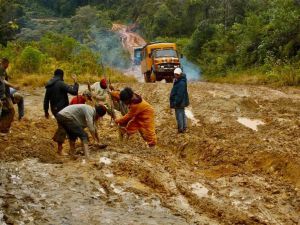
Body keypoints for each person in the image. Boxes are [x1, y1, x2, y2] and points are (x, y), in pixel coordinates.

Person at [43, 69, 79, 155]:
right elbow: (74, 92)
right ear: (61, 75)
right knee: (63, 127)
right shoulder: (60, 83)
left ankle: (59, 143)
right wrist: (76, 82)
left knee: (62, 126)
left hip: (54, 109)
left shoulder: (49, 84)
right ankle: (59, 149)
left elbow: (46, 99)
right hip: (62, 109)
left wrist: (46, 111)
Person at [0, 58, 19, 133]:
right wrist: (13, 86)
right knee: (11, 111)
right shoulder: (1, 68)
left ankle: (3, 128)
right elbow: (3, 81)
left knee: (5, 111)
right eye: (8, 64)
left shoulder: (3, 70)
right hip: (3, 95)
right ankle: (3, 129)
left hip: (5, 94)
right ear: (5, 63)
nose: (8, 65)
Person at [170, 68, 189, 133]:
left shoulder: (181, 83)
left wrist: (176, 102)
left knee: (179, 116)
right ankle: (184, 128)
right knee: (182, 114)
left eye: (177, 74)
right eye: (175, 74)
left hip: (179, 102)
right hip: (181, 102)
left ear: (180, 74)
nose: (176, 75)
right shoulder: (180, 80)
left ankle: (181, 129)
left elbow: (180, 94)